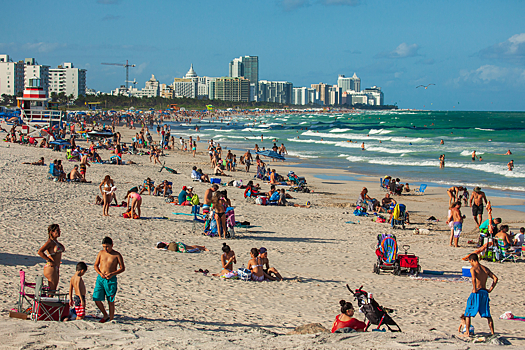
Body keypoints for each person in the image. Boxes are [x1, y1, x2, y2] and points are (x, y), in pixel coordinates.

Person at [462, 253, 497, 337]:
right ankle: (492, 332)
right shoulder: (485, 269)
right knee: (487, 314)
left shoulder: (473, 269)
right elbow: (495, 278)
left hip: (477, 292)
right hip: (484, 292)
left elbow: (474, 279)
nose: (470, 263)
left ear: (472, 260)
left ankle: (467, 332)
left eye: (470, 261)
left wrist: (474, 288)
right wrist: (490, 289)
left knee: (468, 312)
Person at [93, 237, 125, 323]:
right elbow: (96, 265)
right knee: (96, 298)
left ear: (112, 245)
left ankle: (111, 318)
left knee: (110, 300)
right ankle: (105, 314)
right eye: (104, 247)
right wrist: (100, 273)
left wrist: (112, 274)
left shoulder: (117, 255)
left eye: (107, 247)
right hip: (101, 278)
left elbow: (122, 268)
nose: (105, 249)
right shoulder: (101, 253)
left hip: (111, 279)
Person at [37, 224, 65, 290]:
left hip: (56, 267)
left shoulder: (55, 242)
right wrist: (49, 260)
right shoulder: (50, 242)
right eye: (57, 230)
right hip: (51, 267)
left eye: (59, 230)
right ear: (51, 232)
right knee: (51, 290)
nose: (59, 232)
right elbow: (40, 252)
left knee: (53, 290)